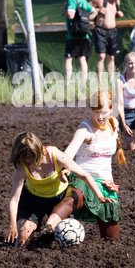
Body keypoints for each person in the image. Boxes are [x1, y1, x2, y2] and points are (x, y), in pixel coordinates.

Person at [4, 131, 116, 248]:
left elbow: (84, 175)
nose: (29, 160)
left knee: (52, 232)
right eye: (25, 157)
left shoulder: (54, 154)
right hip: (33, 201)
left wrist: (99, 196)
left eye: (31, 156)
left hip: (58, 197)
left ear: (38, 150)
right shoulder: (21, 168)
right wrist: (13, 226)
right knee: (22, 238)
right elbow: (14, 200)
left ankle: (51, 228)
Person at [45, 90, 123, 239]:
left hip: (106, 184)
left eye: (103, 112)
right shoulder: (84, 129)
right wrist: (66, 168)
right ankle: (49, 226)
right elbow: (68, 153)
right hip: (82, 179)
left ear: (111, 109)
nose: (99, 117)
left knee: (112, 239)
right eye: (96, 112)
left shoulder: (114, 124)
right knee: (74, 197)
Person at [63, 0, 97, 84]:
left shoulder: (71, 0)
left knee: (68, 58)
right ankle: (83, 82)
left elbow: (71, 15)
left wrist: (65, 10)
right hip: (84, 34)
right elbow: (94, 12)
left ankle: (68, 82)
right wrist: (85, 21)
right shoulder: (83, 0)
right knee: (82, 58)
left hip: (73, 35)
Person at [89, 0, 124, 81]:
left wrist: (118, 14)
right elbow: (85, 7)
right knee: (101, 56)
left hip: (113, 31)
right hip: (101, 31)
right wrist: (98, 10)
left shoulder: (117, 2)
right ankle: (99, 80)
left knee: (111, 57)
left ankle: (111, 80)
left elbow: (111, 15)